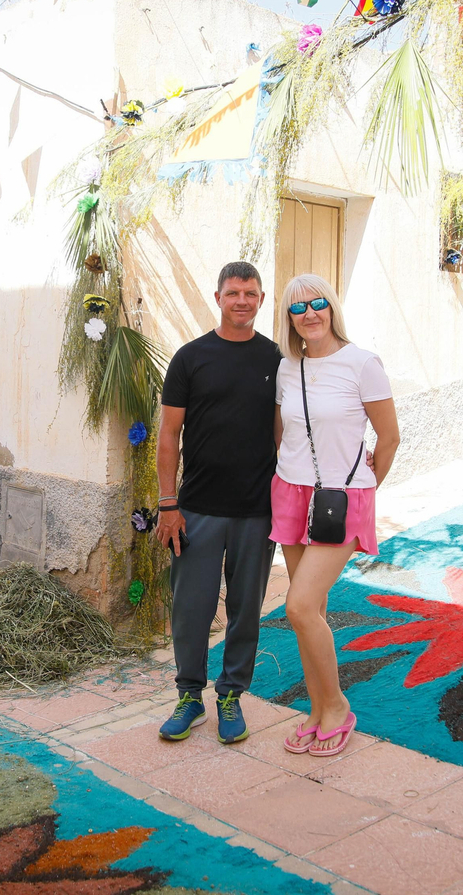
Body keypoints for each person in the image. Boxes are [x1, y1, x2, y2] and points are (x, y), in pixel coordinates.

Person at [271, 273, 400, 758]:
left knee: (299, 606)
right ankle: (316, 709)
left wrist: (360, 492)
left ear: (332, 307)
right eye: (298, 308)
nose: (309, 314)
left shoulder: (363, 364)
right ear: (289, 319)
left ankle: (338, 707)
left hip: (340, 500)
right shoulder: (287, 367)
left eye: (317, 303)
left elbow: (388, 439)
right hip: (290, 491)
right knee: (314, 614)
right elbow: (283, 435)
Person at [154, 260, 281, 745]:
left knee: (246, 609)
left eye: (250, 293)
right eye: (233, 293)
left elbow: (282, 433)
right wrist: (169, 505)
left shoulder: (275, 359)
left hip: (256, 511)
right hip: (197, 510)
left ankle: (230, 695)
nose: (242, 301)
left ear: (261, 300)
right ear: (219, 297)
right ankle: (189, 696)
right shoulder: (190, 358)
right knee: (191, 607)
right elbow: (168, 435)